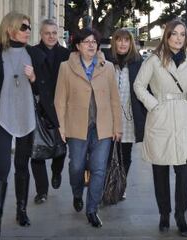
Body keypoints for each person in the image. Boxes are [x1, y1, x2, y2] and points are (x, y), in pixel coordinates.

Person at [0, 11, 57, 238]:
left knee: (22, 166)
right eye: (23, 27)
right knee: (2, 168)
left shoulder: (37, 56)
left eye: (29, 27)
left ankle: (21, 210)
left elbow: (46, 92)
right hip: (2, 119)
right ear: (10, 29)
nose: (28, 31)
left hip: (27, 120)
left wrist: (33, 79)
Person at [134, 19, 187, 237]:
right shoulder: (154, 60)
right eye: (174, 34)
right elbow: (139, 85)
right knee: (160, 170)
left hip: (185, 116)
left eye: (182, 34)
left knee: (184, 170)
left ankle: (180, 214)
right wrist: (153, 105)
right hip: (161, 117)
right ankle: (164, 214)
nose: (178, 38)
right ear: (167, 36)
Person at [54, 28, 122, 228]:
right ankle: (77, 193)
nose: (91, 45)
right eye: (86, 42)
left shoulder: (107, 67)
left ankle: (92, 209)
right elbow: (59, 100)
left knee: (99, 168)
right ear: (78, 46)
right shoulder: (66, 67)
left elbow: (114, 100)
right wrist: (61, 127)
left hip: (103, 127)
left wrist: (117, 126)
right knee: (76, 166)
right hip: (76, 126)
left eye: (94, 41)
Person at [30, 19, 70, 204]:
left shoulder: (67, 54)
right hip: (38, 107)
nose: (51, 36)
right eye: (47, 33)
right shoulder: (31, 52)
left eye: (54, 33)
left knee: (60, 148)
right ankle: (42, 191)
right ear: (41, 34)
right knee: (36, 151)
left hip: (61, 107)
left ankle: (56, 171)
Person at [104, 29, 146, 199]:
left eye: (126, 40)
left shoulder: (137, 62)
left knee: (125, 155)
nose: (122, 44)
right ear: (114, 42)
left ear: (131, 43)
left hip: (128, 118)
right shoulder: (105, 60)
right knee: (106, 154)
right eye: (119, 40)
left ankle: (120, 186)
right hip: (107, 116)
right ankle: (105, 187)